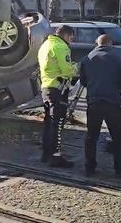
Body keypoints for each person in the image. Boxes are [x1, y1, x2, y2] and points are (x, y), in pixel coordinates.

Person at [80, 34, 121, 177]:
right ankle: (119, 170)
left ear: (97, 43)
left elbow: (83, 80)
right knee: (117, 137)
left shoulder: (87, 58)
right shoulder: (117, 58)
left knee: (91, 137)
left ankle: (90, 168)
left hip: (94, 101)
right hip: (112, 102)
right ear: (111, 43)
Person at [38, 25, 78, 168]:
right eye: (71, 37)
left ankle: (46, 154)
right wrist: (76, 67)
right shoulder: (61, 47)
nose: (71, 40)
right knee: (58, 123)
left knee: (48, 122)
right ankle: (56, 156)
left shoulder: (45, 45)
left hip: (46, 87)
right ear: (66, 35)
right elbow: (67, 71)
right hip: (58, 89)